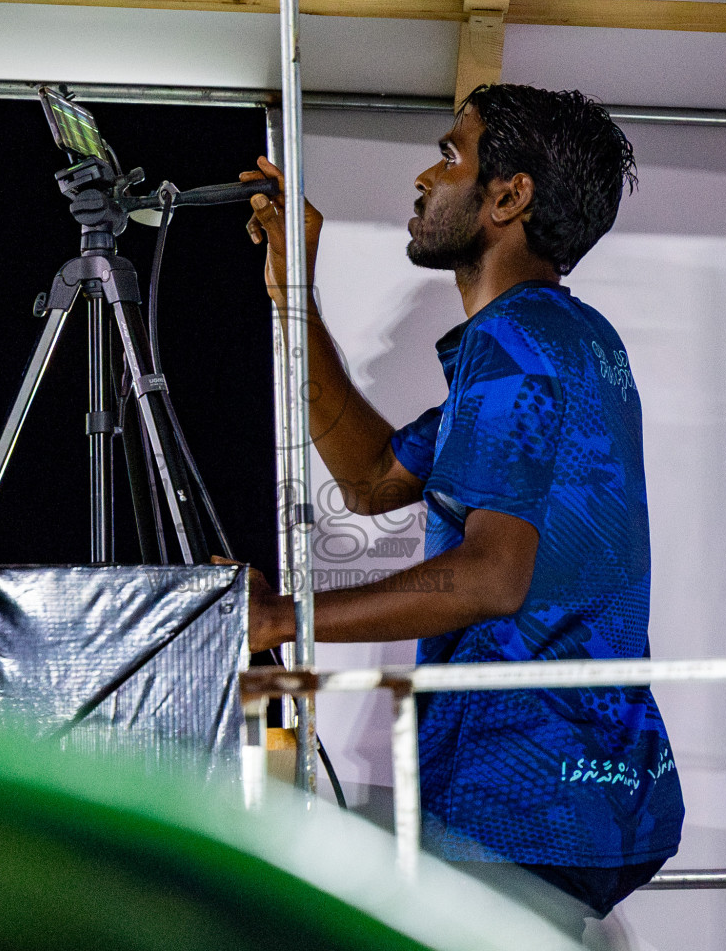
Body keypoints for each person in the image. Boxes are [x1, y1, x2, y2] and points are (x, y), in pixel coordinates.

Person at [239, 84, 683, 933]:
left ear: (508, 197)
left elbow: (491, 578)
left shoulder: (519, 341)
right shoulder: (563, 340)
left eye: (451, 155)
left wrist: (277, 621)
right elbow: (373, 478)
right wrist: (293, 295)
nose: (425, 177)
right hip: (586, 791)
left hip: (523, 792)